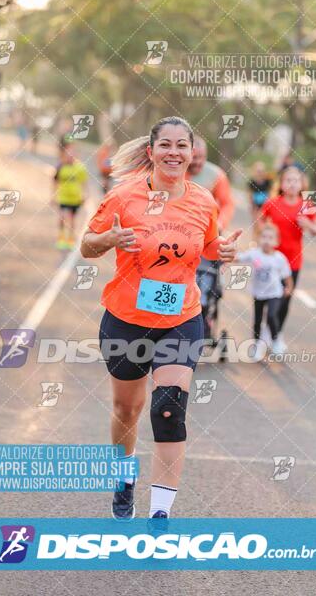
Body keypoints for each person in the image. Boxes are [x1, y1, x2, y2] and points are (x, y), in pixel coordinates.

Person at [81, 116, 241, 520]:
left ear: (192, 153)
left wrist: (219, 251)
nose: (174, 152)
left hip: (181, 318)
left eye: (182, 146)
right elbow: (87, 245)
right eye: (165, 145)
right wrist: (110, 239)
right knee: (127, 410)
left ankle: (160, 514)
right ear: (151, 152)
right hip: (126, 319)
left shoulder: (204, 200)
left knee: (168, 408)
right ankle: (124, 478)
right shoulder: (124, 197)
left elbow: (206, 246)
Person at [259, 166, 316, 350]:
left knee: (285, 300)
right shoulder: (272, 202)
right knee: (269, 299)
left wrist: (308, 224)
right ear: (281, 183)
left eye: (296, 180)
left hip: (293, 261)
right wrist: (264, 235)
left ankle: (276, 336)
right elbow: (259, 222)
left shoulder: (308, 204)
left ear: (302, 184)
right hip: (272, 260)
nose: (292, 184)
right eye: (288, 180)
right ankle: (264, 335)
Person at [187, 136, 235, 343]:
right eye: (194, 158)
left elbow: (227, 203)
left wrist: (220, 225)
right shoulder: (175, 171)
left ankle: (204, 323)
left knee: (207, 281)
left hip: (208, 237)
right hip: (178, 238)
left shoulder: (216, 175)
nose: (197, 162)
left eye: (202, 158)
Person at [236, 224, 293, 358]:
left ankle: (276, 340)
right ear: (259, 238)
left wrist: (289, 288)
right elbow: (239, 258)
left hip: (275, 293)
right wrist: (230, 254)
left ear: (276, 241)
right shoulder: (254, 253)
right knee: (257, 320)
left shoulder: (279, 258)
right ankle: (257, 345)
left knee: (272, 316)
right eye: (264, 237)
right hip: (259, 293)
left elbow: (287, 276)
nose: (267, 240)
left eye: (270, 238)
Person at [52, 137, 88, 250]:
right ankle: (61, 238)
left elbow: (84, 183)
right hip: (63, 198)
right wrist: (53, 196)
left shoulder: (80, 167)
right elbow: (55, 181)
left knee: (72, 219)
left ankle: (71, 239)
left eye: (72, 152)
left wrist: (85, 195)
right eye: (68, 152)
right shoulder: (60, 166)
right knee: (63, 217)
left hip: (75, 199)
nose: (70, 154)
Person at [247, 161, 272, 236]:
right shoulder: (252, 182)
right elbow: (250, 195)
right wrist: (252, 206)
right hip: (256, 205)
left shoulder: (267, 181)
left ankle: (262, 236)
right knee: (255, 222)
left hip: (265, 204)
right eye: (258, 171)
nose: (260, 173)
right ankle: (255, 239)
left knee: (264, 222)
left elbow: (270, 193)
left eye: (261, 171)